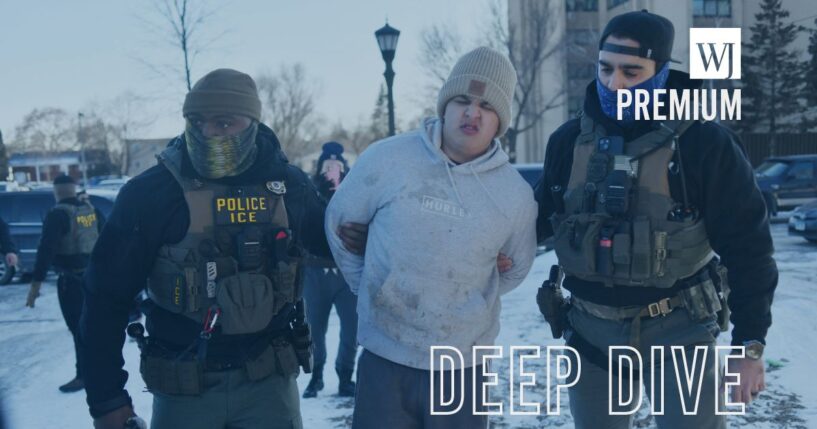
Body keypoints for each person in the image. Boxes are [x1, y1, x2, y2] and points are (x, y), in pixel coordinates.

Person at [534, 10, 778, 429]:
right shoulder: (568, 141)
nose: (615, 84)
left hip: (679, 331)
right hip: (590, 335)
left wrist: (749, 347)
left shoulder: (704, 143)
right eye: (605, 69)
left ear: (662, 71)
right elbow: (531, 222)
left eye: (632, 71)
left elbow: (749, 250)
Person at [81, 69, 330, 429]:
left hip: (269, 386)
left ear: (252, 123)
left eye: (224, 123)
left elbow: (337, 242)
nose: (208, 133)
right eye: (197, 122)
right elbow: (105, 296)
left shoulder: (288, 186)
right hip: (185, 389)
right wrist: (107, 400)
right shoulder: (152, 193)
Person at [326, 46, 538, 429]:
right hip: (385, 358)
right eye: (462, 100)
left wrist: (467, 296)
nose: (472, 113)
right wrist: (373, 287)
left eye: (486, 106)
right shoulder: (387, 159)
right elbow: (340, 225)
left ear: (500, 120)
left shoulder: (515, 195)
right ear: (445, 105)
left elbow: (516, 267)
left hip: (462, 367)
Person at [25, 174, 106, 393]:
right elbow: (107, 239)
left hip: (71, 282)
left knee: (78, 329)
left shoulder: (58, 214)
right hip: (95, 278)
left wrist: (36, 285)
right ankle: (100, 372)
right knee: (93, 327)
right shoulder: (90, 210)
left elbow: (46, 250)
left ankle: (84, 376)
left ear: (56, 191)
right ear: (74, 188)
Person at [302, 141, 358, 399]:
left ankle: (346, 376)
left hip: (347, 272)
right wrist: (320, 195)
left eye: (336, 165)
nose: (332, 170)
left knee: (352, 329)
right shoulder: (308, 193)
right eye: (327, 165)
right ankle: (316, 377)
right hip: (315, 272)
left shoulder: (356, 192)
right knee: (315, 329)